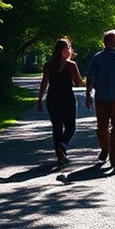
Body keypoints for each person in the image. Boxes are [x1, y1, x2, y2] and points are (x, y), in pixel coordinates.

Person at [85, 29, 115, 168]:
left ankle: (114, 156)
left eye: (114, 39)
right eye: (111, 39)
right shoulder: (98, 58)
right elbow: (90, 77)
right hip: (101, 98)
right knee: (102, 127)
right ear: (106, 42)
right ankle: (106, 149)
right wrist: (88, 94)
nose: (113, 41)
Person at [37, 38, 83, 167]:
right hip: (67, 99)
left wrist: (40, 99)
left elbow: (44, 83)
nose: (71, 50)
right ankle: (62, 146)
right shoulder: (71, 65)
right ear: (64, 50)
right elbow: (78, 82)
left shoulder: (48, 65)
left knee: (57, 127)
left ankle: (60, 155)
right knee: (70, 127)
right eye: (69, 47)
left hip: (52, 99)